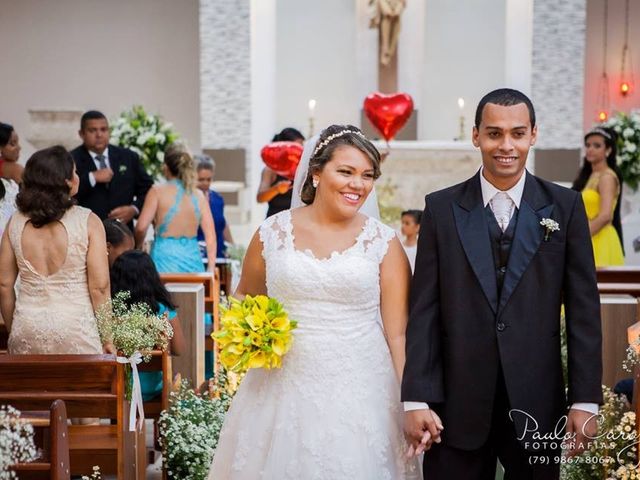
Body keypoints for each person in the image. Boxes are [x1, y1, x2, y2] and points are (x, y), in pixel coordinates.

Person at [402, 89, 602, 480]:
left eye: (517, 133)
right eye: (494, 134)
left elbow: (583, 311)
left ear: (533, 135)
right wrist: (415, 397)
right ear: (476, 135)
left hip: (536, 403)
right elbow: (424, 309)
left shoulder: (565, 207)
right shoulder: (441, 209)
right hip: (455, 405)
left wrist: (585, 399)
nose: (506, 145)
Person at [208, 125, 421, 479]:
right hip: (281, 386)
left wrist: (412, 401)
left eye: (367, 175)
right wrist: (254, 332)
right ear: (317, 172)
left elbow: (399, 334)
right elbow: (244, 296)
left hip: (362, 389)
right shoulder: (272, 234)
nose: (358, 184)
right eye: (346, 171)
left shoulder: (384, 242)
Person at [0, 146, 113, 354]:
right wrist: (108, 337)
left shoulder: (14, 223)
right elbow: (100, 288)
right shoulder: (88, 221)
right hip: (76, 331)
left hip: (27, 328)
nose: (77, 177)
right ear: (66, 181)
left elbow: (4, 285)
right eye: (75, 172)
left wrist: (14, 326)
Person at [110, 250, 185, 401]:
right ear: (152, 278)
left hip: (119, 388)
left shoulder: (111, 313)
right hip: (154, 388)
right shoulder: (163, 310)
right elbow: (179, 348)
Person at [135, 148, 217, 273]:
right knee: (193, 292)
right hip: (192, 260)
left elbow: (141, 227)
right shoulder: (198, 195)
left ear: (166, 167)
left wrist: (138, 247)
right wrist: (211, 268)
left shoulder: (157, 192)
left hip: (163, 259)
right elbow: (210, 236)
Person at [71, 110, 153, 232]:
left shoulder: (128, 157)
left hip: (124, 232)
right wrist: (92, 178)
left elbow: (148, 189)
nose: (99, 135)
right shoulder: (71, 159)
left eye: (103, 129)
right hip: (87, 232)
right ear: (81, 134)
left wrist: (134, 209)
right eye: (92, 130)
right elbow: (65, 193)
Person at [571, 127, 624, 266]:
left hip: (601, 239)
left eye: (597, 145)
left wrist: (579, 237)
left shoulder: (607, 177)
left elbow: (606, 216)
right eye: (588, 145)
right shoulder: (590, 175)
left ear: (608, 150)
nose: (590, 149)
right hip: (591, 236)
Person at [257, 127, 304, 217]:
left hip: (297, 219)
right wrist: (276, 189)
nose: (299, 150)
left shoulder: (301, 167)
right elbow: (260, 198)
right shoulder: (270, 170)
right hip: (275, 219)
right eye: (296, 147)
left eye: (301, 146)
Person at [195, 156, 233, 259]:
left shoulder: (217, 198)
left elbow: (223, 224)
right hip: (197, 254)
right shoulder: (188, 200)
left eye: (209, 179)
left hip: (219, 254)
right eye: (201, 179)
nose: (205, 183)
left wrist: (232, 247)